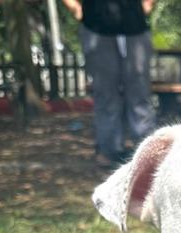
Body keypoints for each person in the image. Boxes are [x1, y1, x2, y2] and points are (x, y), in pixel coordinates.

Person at [61, 0, 157, 167]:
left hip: (135, 27)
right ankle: (109, 150)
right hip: (96, 27)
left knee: (139, 93)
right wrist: (74, 7)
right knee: (105, 93)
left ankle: (148, 152)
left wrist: (148, 3)